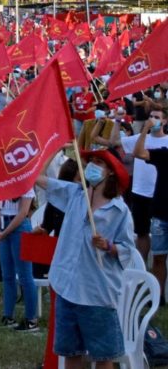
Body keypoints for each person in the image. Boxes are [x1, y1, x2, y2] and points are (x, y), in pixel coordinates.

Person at [36, 149, 134, 369]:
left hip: (96, 292)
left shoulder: (119, 210)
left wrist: (109, 246)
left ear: (110, 172)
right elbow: (39, 179)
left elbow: (128, 248)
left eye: (99, 162)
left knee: (103, 356)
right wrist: (52, 149)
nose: (92, 165)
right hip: (67, 287)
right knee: (70, 353)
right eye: (90, 161)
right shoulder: (74, 194)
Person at [130, 114, 168, 303]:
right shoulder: (164, 153)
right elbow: (138, 153)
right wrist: (144, 129)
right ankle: (158, 296)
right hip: (161, 213)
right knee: (159, 257)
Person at [0, 187, 39, 331]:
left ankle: (31, 318)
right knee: (7, 275)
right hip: (4, 225)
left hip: (19, 228)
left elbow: (23, 212)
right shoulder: (4, 182)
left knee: (25, 275)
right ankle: (8, 315)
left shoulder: (25, 185)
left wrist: (4, 232)